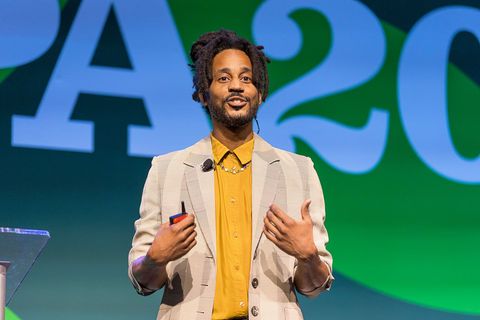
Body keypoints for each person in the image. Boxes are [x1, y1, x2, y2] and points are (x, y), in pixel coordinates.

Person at [128, 29, 333, 320]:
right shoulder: (166, 170)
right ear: (202, 93)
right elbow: (142, 281)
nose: (236, 86)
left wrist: (308, 255)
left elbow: (315, 286)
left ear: (259, 94)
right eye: (223, 78)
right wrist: (154, 259)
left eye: (246, 78)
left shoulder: (299, 170)